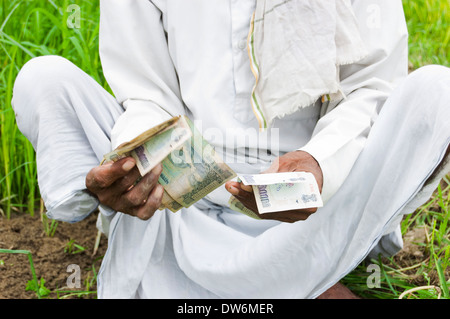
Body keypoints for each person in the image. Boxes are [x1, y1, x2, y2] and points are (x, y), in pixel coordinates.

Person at [11, 0, 450, 299]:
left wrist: (317, 165)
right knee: (43, 80)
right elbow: (146, 94)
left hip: (312, 201)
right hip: (184, 199)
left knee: (439, 92)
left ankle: (296, 264)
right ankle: (305, 282)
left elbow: (371, 87)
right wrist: (142, 160)